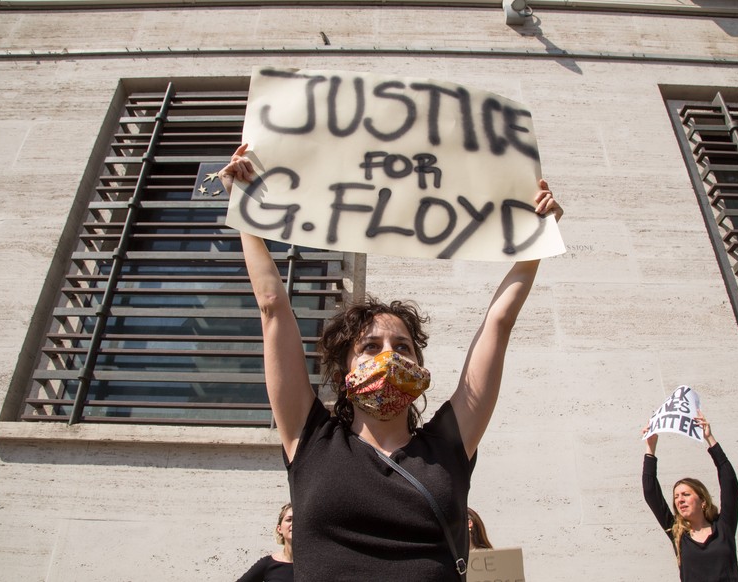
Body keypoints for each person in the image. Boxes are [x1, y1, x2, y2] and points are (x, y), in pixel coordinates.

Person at [220, 143, 563, 581]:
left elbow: (498, 322)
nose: (388, 356)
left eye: (402, 347)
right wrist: (245, 207)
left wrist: (539, 238)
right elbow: (272, 306)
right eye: (370, 347)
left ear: (421, 366)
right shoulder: (311, 441)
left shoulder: (447, 446)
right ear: (347, 375)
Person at [641, 412, 738, 582]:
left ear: (703, 501)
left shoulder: (723, 526)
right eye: (676, 497)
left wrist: (710, 439)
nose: (679, 499)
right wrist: (650, 447)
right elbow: (651, 492)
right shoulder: (678, 533)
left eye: (686, 494)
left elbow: (730, 485)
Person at [235, 503, 294, 582]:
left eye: (298, 520)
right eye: (289, 519)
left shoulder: (314, 564)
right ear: (279, 529)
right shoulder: (268, 564)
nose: (293, 523)